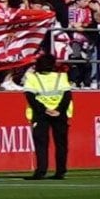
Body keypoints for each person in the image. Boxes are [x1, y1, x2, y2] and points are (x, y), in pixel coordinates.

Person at [21, 43, 75, 181]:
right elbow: (67, 96)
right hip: (60, 114)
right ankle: (61, 171)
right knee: (61, 143)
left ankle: (41, 171)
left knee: (41, 143)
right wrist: (58, 110)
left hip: (40, 114)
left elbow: (30, 97)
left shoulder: (32, 78)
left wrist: (45, 109)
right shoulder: (61, 77)